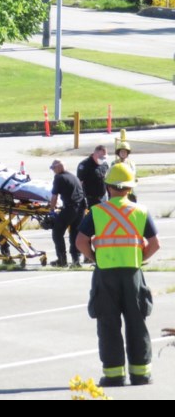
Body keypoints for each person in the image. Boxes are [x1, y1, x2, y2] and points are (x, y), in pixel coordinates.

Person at [76, 162, 160, 387]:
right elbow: (155, 243)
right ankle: (141, 373)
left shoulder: (97, 212)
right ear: (130, 188)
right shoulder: (140, 211)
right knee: (137, 322)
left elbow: (81, 241)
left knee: (108, 323)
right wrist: (140, 259)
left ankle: (113, 375)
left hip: (106, 275)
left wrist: (95, 258)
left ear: (108, 187)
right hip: (132, 274)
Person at [48, 159, 87, 267]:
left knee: (57, 232)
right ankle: (76, 260)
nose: (53, 171)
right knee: (74, 234)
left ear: (58, 167)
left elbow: (54, 196)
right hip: (81, 209)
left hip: (70, 208)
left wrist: (51, 211)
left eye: (53, 168)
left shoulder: (59, 177)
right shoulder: (74, 177)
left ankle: (62, 260)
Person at [77, 145, 109, 210]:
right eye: (101, 157)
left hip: (103, 196)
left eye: (104, 158)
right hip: (91, 199)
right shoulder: (84, 165)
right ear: (95, 154)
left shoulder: (104, 164)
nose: (103, 159)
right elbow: (79, 184)